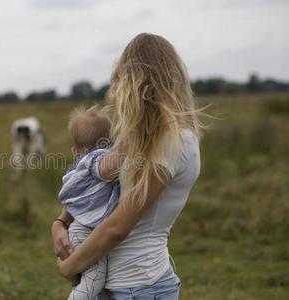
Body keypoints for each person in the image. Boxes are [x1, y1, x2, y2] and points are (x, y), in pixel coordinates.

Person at [52, 33, 203, 299]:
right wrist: (60, 222)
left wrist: (69, 267)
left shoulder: (171, 141)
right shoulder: (140, 137)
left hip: (139, 287)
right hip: (121, 287)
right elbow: (99, 185)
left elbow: (118, 227)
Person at [58, 105, 120, 300]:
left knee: (89, 278)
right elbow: (105, 170)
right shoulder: (95, 158)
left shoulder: (79, 165)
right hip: (84, 233)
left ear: (74, 151)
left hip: (78, 231)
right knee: (95, 278)